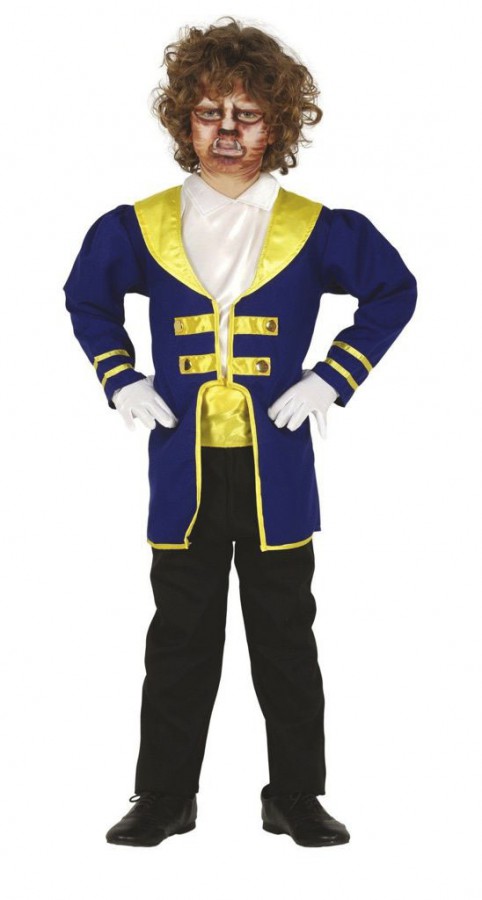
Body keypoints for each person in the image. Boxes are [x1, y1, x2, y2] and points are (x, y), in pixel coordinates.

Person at [63, 17, 417, 849]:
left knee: (285, 637)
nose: (227, 131)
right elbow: (87, 297)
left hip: (276, 471)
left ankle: (295, 795)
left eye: (248, 114)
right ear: (184, 119)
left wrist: (333, 376)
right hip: (182, 467)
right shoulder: (139, 224)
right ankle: (164, 797)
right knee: (179, 638)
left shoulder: (316, 226)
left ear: (278, 124)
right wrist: (121, 377)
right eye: (210, 112)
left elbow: (394, 290)